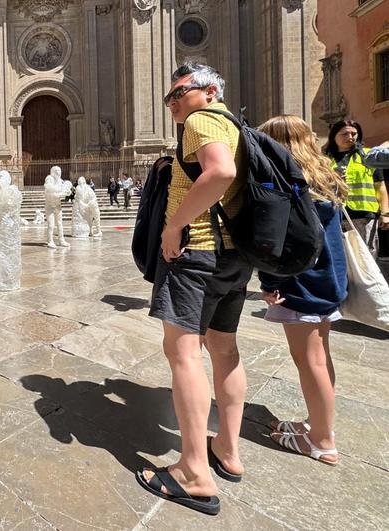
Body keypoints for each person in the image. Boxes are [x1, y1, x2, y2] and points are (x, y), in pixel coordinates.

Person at [139, 62, 252, 516]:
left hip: (197, 254)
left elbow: (219, 173)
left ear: (208, 91)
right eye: (168, 97)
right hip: (232, 257)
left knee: (184, 354)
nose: (172, 103)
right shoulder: (235, 125)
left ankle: (193, 472)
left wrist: (174, 228)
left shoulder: (201, 120)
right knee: (225, 350)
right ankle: (227, 449)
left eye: (179, 93)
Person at [258, 115, 348, 466]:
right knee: (321, 356)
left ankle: (322, 441)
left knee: (308, 360)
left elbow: (277, 241)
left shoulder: (285, 184)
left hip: (301, 282)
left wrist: (270, 284)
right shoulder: (324, 178)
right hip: (329, 278)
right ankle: (318, 421)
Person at [324, 120, 389, 258]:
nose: (350, 137)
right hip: (334, 214)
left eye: (354, 133)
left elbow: (380, 186)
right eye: (345, 134)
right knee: (339, 256)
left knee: (366, 256)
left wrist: (385, 213)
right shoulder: (324, 160)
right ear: (334, 136)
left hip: (364, 215)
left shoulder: (368, 156)